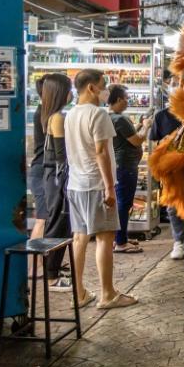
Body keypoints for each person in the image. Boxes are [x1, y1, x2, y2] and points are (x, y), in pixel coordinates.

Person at [64, 69, 139, 310]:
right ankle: (108, 294)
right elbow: (101, 152)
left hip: (76, 185)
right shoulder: (98, 115)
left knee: (79, 238)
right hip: (96, 184)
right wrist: (109, 187)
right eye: (103, 84)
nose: (105, 89)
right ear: (91, 88)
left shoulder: (70, 115)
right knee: (105, 239)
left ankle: (80, 293)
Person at [150, 72, 184, 274]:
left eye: (181, 83)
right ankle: (178, 242)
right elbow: (155, 142)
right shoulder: (161, 116)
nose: (177, 86)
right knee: (171, 208)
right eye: (175, 83)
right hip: (170, 171)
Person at [107, 85, 152, 254]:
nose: (127, 101)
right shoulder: (120, 119)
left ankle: (120, 237)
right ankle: (120, 242)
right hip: (126, 167)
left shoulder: (110, 117)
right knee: (123, 204)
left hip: (120, 166)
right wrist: (146, 126)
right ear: (118, 99)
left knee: (120, 203)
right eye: (126, 98)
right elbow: (137, 141)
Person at [39, 73, 74, 290]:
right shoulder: (58, 118)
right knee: (58, 224)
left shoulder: (51, 115)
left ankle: (53, 270)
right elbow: (62, 156)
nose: (72, 93)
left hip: (53, 176)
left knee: (58, 223)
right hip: (57, 177)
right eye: (69, 89)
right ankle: (51, 276)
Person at [29, 75, 50, 240]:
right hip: (42, 171)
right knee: (43, 219)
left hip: (43, 170)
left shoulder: (46, 112)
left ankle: (45, 261)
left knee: (46, 219)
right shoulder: (45, 114)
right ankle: (33, 265)